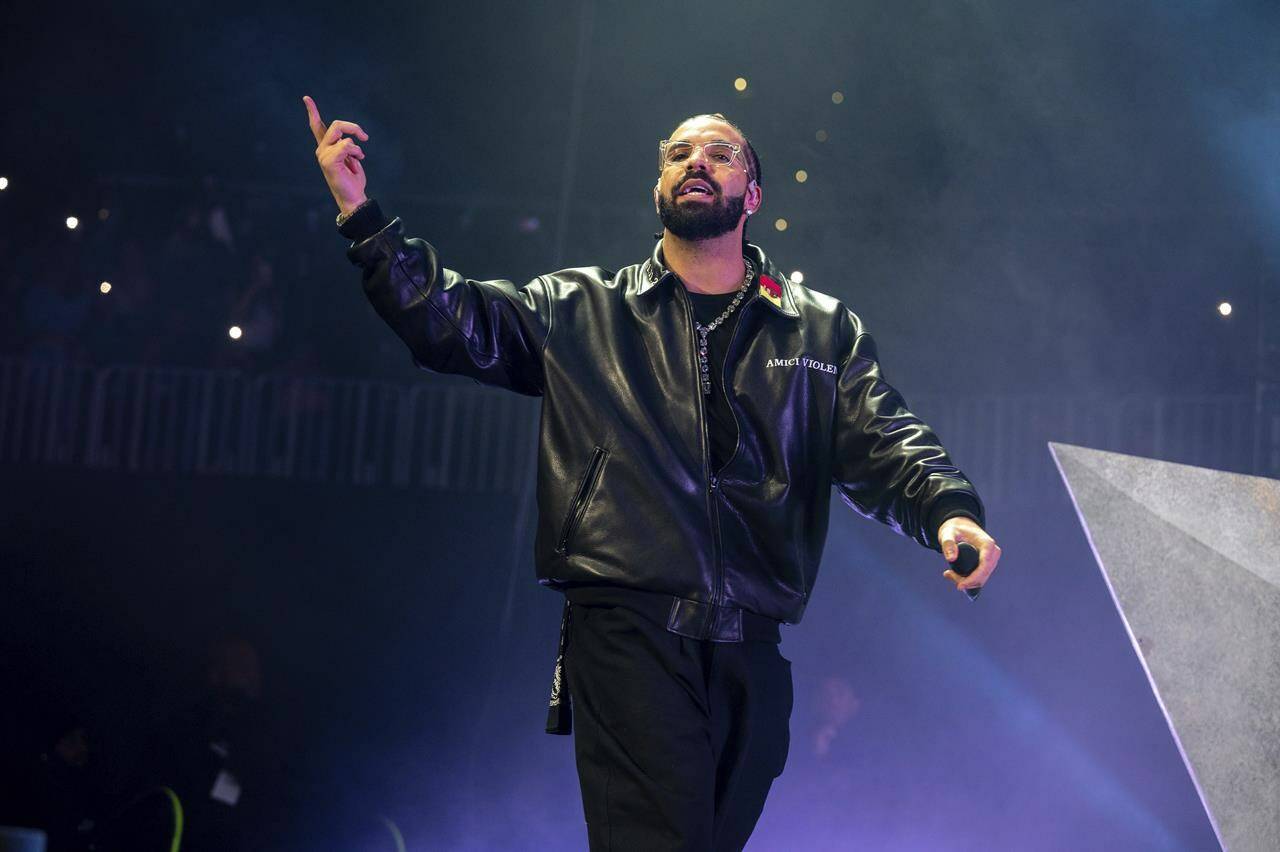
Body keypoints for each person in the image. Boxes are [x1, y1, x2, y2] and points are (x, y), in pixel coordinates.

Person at [303, 95, 1002, 851]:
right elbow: (449, 320)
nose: (695, 162)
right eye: (678, 153)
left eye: (719, 153)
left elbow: (881, 437)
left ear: (753, 195)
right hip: (628, 628)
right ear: (659, 186)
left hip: (752, 648)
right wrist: (362, 216)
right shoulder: (581, 309)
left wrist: (947, 511)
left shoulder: (818, 328)